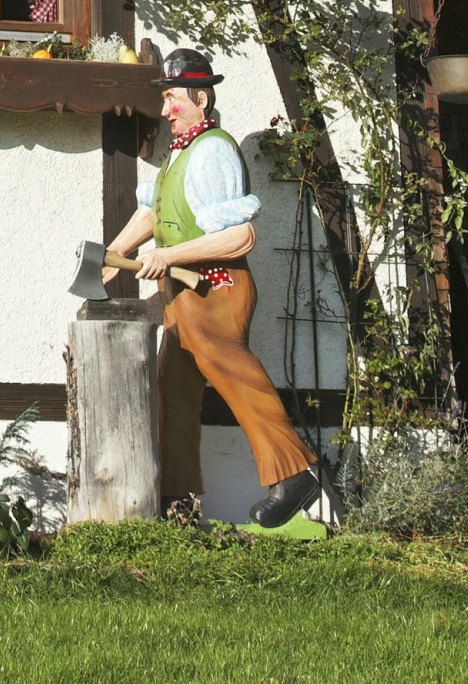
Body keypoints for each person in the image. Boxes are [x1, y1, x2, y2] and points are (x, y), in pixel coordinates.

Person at [105, 47, 322, 527]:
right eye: (164, 99)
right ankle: (177, 498)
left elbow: (240, 235)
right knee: (173, 389)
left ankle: (295, 472)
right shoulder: (178, 154)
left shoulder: (215, 150)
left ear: (201, 98)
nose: (164, 110)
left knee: (230, 368)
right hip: (181, 296)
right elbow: (154, 212)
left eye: (173, 99)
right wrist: (112, 252)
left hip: (217, 289)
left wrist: (167, 256)